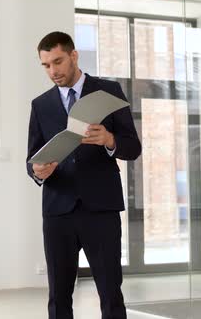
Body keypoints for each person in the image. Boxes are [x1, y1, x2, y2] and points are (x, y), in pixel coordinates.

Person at [26, 31, 141, 319]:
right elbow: (32, 159)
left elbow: (133, 147)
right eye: (46, 65)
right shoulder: (40, 104)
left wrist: (110, 139)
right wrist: (37, 170)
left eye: (58, 62)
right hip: (58, 210)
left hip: (101, 208)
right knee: (59, 296)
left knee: (110, 292)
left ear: (74, 56)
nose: (53, 71)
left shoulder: (108, 91)